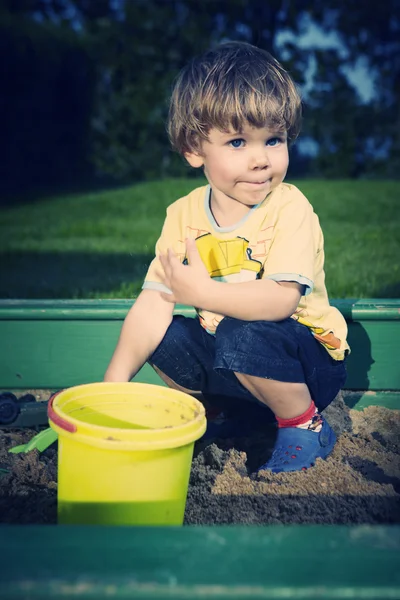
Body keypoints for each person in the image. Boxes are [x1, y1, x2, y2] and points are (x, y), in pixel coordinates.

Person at [104, 41, 349, 473]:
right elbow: (152, 306)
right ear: (194, 149)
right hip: (236, 365)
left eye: (273, 140)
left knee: (242, 332)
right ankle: (227, 414)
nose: (260, 159)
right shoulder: (182, 216)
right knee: (164, 337)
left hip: (305, 363)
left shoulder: (289, 208)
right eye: (238, 141)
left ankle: (304, 424)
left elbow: (280, 301)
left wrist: (204, 292)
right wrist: (111, 387)